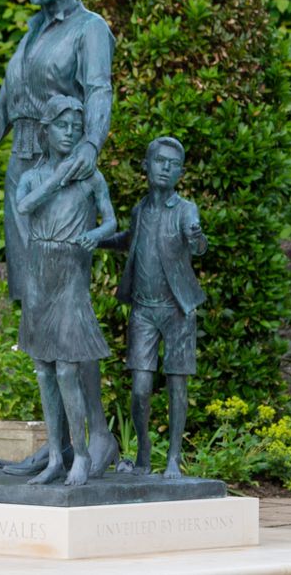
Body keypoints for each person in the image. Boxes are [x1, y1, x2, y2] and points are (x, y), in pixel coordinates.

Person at [0, 0, 119, 479]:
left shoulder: (90, 29)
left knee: (69, 312)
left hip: (64, 178)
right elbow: (2, 109)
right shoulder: (29, 35)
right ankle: (62, 442)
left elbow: (99, 92)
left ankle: (99, 439)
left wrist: (91, 146)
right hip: (22, 176)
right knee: (37, 312)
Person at [16, 95, 117, 486]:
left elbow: (110, 220)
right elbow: (24, 207)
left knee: (68, 368)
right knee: (43, 369)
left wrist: (94, 233)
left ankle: (82, 452)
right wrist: (59, 177)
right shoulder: (33, 176)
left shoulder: (91, 177)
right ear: (46, 130)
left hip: (71, 270)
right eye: (63, 126)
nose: (70, 132)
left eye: (77, 128)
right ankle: (56, 456)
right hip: (39, 270)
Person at [104, 137, 208, 479]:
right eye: (160, 161)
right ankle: (145, 451)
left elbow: (197, 240)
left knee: (178, 385)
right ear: (146, 166)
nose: (166, 168)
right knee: (140, 387)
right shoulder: (139, 210)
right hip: (143, 311)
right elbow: (128, 241)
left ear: (180, 172)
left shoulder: (185, 209)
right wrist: (94, 239)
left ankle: (174, 458)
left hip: (178, 310)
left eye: (173, 164)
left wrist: (196, 237)